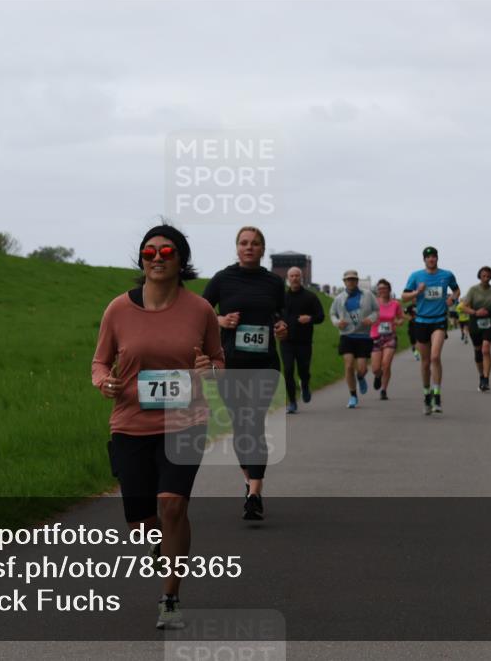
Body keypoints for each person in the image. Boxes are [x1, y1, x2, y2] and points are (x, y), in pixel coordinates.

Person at [92, 224, 224, 629]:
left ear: (181, 260)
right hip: (130, 423)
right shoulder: (118, 309)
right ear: (141, 260)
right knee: (141, 523)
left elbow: (219, 362)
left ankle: (170, 595)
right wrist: (104, 381)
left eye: (166, 252)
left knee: (172, 502)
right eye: (149, 252)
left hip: (186, 420)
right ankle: (168, 549)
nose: (157, 259)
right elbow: (99, 361)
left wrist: (210, 368)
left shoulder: (200, 309)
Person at [202, 226, 288, 521]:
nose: (249, 247)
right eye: (244, 243)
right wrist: (221, 320)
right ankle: (249, 480)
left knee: (254, 422)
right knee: (241, 425)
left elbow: (282, 315)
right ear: (237, 248)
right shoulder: (223, 279)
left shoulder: (273, 283)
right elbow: (200, 314)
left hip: (264, 364)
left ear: (263, 249)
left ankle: (254, 491)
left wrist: (282, 327)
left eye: (255, 243)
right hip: (232, 364)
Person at [402, 247, 460, 415]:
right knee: (425, 362)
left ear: (437, 258)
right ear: (424, 260)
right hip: (421, 321)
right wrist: (417, 292)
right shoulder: (416, 276)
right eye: (428, 257)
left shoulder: (446, 275)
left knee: (435, 357)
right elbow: (404, 297)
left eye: (434, 257)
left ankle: (437, 395)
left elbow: (457, 290)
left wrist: (452, 299)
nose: (431, 259)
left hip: (439, 320)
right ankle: (426, 394)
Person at [329, 270, 378, 408]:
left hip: (363, 336)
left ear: (357, 281)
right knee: (349, 365)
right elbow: (332, 314)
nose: (351, 282)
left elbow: (376, 310)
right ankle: (353, 395)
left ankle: (361, 377)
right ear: (344, 282)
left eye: (353, 279)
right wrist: (338, 322)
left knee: (362, 368)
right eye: (348, 280)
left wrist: (371, 318)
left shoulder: (367, 295)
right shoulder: (339, 298)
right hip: (347, 336)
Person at [280, 266, 325, 413]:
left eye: (297, 276)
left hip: (304, 342)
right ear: (288, 279)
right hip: (286, 341)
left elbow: (321, 316)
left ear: (301, 278)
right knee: (287, 371)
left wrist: (310, 318)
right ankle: (292, 402)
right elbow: (275, 316)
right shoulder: (282, 298)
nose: (294, 278)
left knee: (303, 371)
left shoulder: (310, 297)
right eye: (291, 276)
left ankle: (305, 384)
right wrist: (278, 325)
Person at [460, 265, 491, 391]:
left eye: (488, 276)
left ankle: (486, 379)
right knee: (478, 351)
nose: (486, 278)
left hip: (488, 323)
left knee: (486, 349)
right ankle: (481, 376)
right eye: (483, 276)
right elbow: (463, 307)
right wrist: (475, 312)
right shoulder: (473, 290)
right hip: (474, 323)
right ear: (479, 276)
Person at [370, 279, 403, 401]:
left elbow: (401, 318)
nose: (382, 291)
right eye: (380, 289)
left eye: (384, 288)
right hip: (376, 336)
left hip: (390, 337)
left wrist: (398, 322)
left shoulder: (395, 304)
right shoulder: (374, 303)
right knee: (375, 368)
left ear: (389, 289)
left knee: (386, 364)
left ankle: (384, 390)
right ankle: (378, 376)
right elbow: (367, 316)